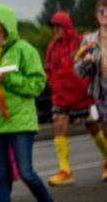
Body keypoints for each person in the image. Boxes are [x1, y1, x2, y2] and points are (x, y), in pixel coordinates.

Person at [0, 4, 54, 202]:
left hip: (20, 121)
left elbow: (38, 84)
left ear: (5, 23)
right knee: (0, 176)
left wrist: (9, 79)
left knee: (26, 173)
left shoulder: (25, 50)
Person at [45, 11, 107, 186]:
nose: (55, 30)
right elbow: (48, 68)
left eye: (58, 26)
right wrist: (53, 83)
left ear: (66, 26)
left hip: (82, 95)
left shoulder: (82, 41)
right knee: (59, 125)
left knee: (93, 127)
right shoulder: (52, 47)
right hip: (61, 97)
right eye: (53, 26)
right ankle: (65, 170)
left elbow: (92, 62)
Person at [75, 0, 107, 182]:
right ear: (96, 15)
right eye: (101, 11)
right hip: (100, 92)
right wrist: (86, 63)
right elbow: (78, 70)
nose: (105, 15)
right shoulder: (89, 40)